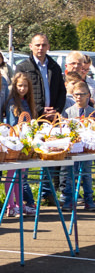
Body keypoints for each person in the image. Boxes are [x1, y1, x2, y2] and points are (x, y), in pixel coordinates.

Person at [5, 73, 37, 216]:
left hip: (25, 143)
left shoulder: (27, 102)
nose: (22, 88)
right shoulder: (13, 102)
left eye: (25, 86)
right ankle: (10, 206)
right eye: (19, 86)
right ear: (15, 86)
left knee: (21, 177)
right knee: (12, 176)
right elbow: (12, 125)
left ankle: (19, 203)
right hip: (15, 142)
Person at [15, 33, 65, 119]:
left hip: (52, 118)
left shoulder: (55, 67)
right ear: (31, 46)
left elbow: (62, 91)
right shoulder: (23, 67)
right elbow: (18, 93)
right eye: (37, 45)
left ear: (48, 47)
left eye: (44, 45)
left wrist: (56, 111)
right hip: (32, 116)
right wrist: (39, 110)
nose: (40, 48)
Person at [62, 82, 95, 211]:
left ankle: (89, 199)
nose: (79, 97)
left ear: (88, 95)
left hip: (87, 149)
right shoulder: (68, 111)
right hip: (73, 148)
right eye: (76, 95)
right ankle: (68, 199)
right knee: (69, 173)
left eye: (82, 94)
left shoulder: (92, 112)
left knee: (86, 173)